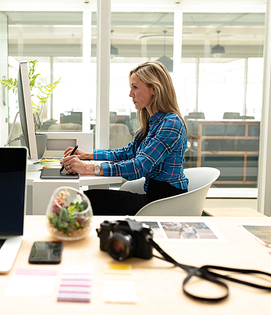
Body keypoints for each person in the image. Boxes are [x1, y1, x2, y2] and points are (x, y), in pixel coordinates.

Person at [61, 61, 188, 215]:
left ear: (154, 89)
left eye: (135, 87)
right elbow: (127, 153)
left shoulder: (171, 123)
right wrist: (87, 155)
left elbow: (139, 167)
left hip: (165, 202)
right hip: (153, 196)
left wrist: (88, 168)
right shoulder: (152, 123)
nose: (130, 94)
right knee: (88, 198)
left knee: (88, 200)